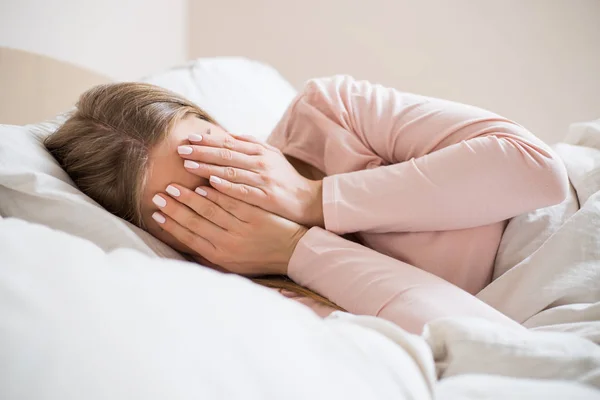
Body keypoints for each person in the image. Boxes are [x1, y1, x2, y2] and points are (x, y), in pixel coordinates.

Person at [44, 76, 568, 334]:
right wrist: (298, 250)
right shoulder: (247, 292)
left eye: (217, 155)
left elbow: (539, 172)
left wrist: (314, 200)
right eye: (195, 201)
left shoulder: (329, 111)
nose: (231, 188)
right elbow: (481, 339)